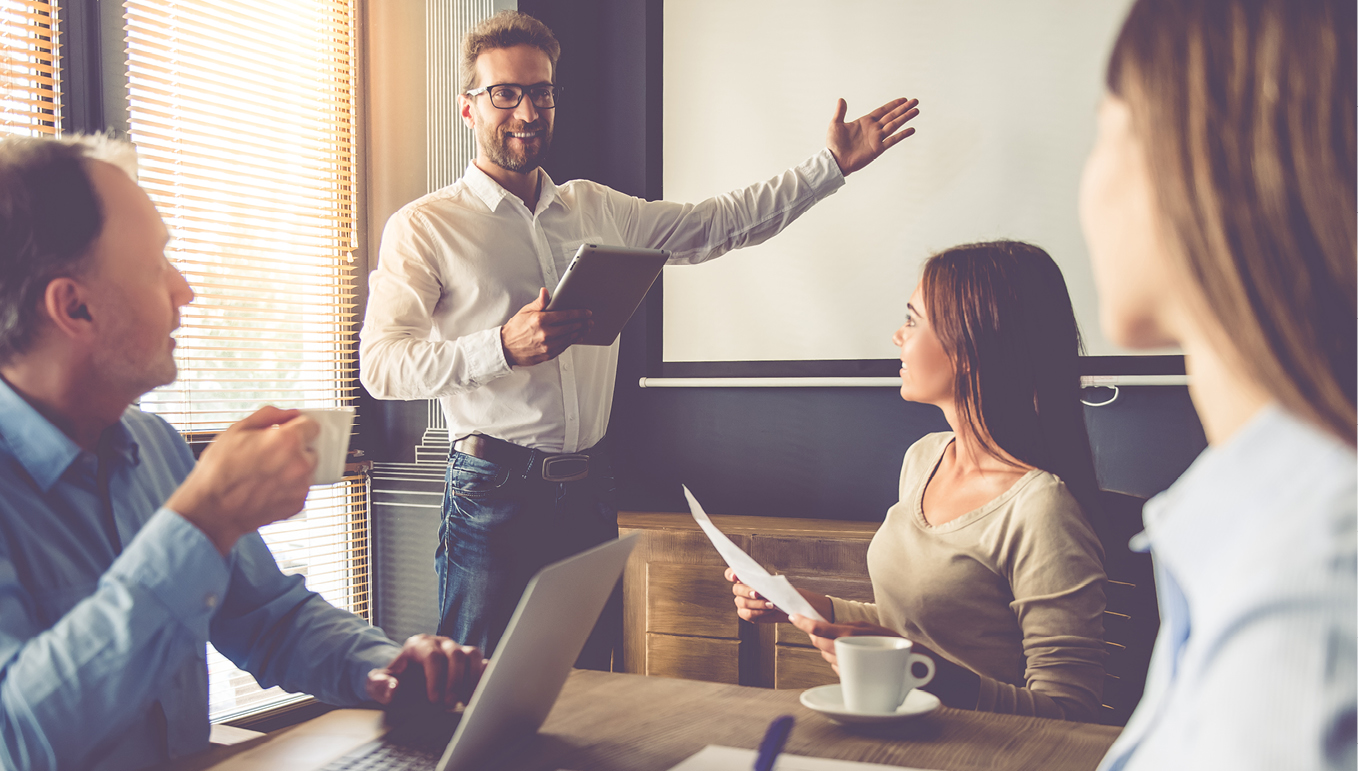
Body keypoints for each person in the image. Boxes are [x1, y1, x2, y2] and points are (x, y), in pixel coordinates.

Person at [0, 136, 485, 771]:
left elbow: (269, 617)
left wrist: (390, 665)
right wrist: (202, 519)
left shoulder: (154, 445)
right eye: (156, 262)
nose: (183, 289)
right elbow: (4, 741)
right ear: (74, 308)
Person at [359, 10, 920, 664]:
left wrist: (829, 166)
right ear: (468, 108)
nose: (527, 110)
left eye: (540, 91)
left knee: (596, 688)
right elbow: (382, 366)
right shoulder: (423, 227)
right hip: (493, 495)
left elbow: (719, 224)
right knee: (479, 688)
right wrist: (501, 346)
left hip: (590, 490)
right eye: (504, 93)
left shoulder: (595, 208)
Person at [1078, 0, 1355, 766]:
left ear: (1197, 161)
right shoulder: (1255, 527)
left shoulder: (1312, 589)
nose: (1087, 186)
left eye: (1104, 129)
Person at [728, 241, 1108, 721]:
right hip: (900, 733)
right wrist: (806, 605)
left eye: (912, 320)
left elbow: (1070, 715)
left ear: (969, 347)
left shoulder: (1041, 510)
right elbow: (906, 629)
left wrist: (923, 671)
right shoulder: (924, 457)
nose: (896, 336)